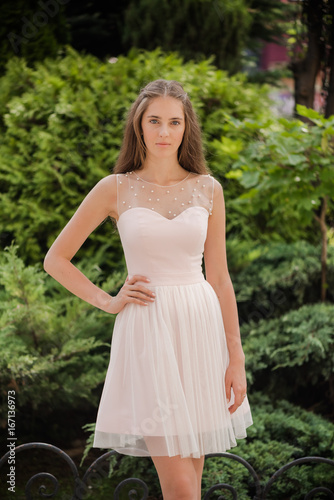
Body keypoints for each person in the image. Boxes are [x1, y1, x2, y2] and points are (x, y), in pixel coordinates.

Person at [44, 79, 252, 500]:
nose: (163, 132)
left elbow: (220, 277)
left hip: (200, 331)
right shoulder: (114, 188)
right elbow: (56, 260)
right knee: (179, 486)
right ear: (138, 125)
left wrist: (236, 357)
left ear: (185, 128)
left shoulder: (209, 188)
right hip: (148, 331)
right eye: (154, 120)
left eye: (174, 122)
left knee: (191, 481)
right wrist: (109, 301)